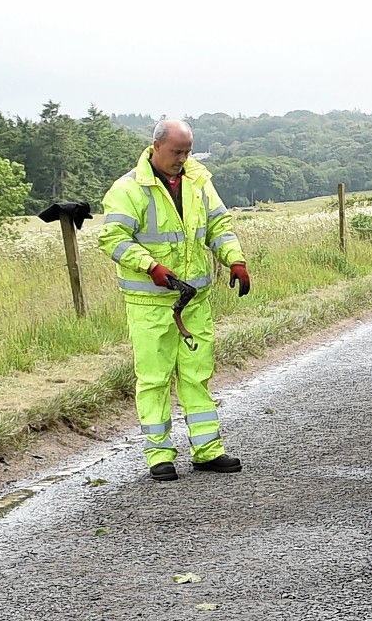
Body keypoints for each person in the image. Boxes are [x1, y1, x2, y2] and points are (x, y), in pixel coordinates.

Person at [97, 119, 252, 482]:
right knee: (154, 378)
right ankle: (159, 455)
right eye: (176, 152)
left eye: (187, 151)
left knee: (197, 375)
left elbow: (219, 226)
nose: (182, 159)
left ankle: (207, 450)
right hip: (150, 303)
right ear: (156, 147)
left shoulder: (199, 182)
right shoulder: (129, 188)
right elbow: (113, 238)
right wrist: (149, 266)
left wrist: (236, 259)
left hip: (194, 300)